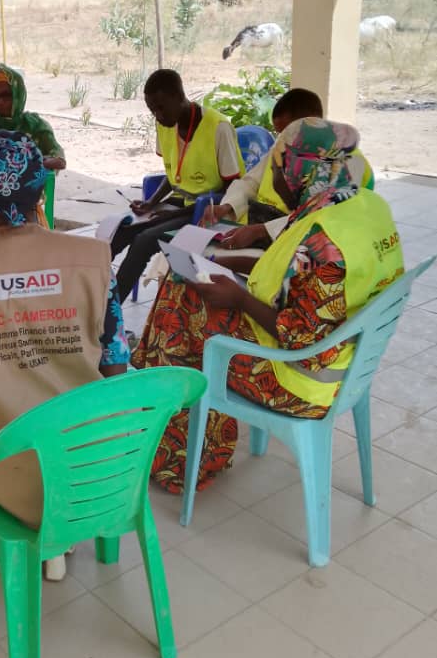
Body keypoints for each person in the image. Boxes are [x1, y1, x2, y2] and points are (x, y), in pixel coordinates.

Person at [132, 118, 403, 494]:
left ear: (297, 173)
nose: (272, 183)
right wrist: (232, 263)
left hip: (303, 380)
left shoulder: (321, 239)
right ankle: (154, 391)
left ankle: (181, 459)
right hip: (348, 356)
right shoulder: (361, 206)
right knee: (187, 290)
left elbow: (296, 336)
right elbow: (297, 274)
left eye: (275, 172)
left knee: (182, 306)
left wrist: (239, 297)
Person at [0, 131, 129, 580]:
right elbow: (116, 368)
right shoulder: (95, 259)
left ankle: (26, 535)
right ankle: (60, 534)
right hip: (89, 461)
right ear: (40, 187)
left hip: (2, 465)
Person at [109, 69, 244, 303]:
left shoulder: (218, 127)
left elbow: (232, 187)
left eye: (161, 107)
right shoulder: (164, 125)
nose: (158, 116)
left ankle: (110, 319)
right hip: (178, 203)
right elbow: (174, 175)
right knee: (120, 231)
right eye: (152, 110)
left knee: (144, 241)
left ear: (179, 96)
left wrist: (170, 212)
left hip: (208, 209)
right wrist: (151, 203)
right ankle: (93, 299)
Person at [203, 88, 374, 251]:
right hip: (256, 228)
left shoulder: (346, 164)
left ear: (313, 122)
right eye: (279, 134)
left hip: (289, 240)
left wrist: (263, 230)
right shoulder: (284, 147)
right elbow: (251, 181)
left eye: (287, 131)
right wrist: (226, 206)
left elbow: (319, 219)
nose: (282, 140)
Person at [0, 64, 66, 243]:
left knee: (28, 228)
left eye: (6, 95)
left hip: (25, 198)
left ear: (18, 95)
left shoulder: (34, 126)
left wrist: (30, 161)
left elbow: (59, 161)